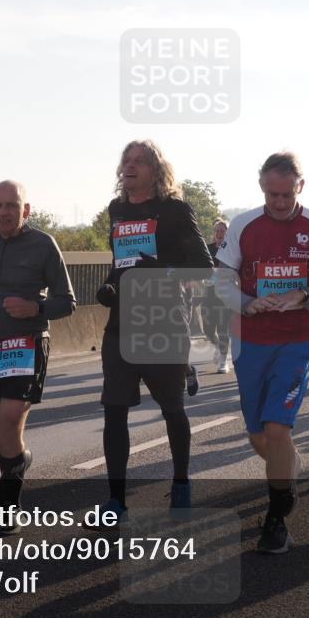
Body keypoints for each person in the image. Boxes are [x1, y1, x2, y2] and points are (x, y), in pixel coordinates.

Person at [216, 152, 309, 553]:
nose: (280, 201)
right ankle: (287, 469)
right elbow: (221, 281)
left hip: (296, 339)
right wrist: (247, 303)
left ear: (300, 187)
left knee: (277, 428)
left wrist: (304, 295)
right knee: (258, 435)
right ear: (261, 187)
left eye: (287, 194)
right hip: (249, 339)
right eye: (273, 194)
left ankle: (276, 519)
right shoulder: (243, 225)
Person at [92, 140, 212, 523]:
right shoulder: (117, 210)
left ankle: (181, 484)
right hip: (121, 325)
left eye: (139, 161)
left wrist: (162, 270)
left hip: (163, 323)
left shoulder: (175, 210)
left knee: (172, 409)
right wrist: (109, 285)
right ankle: (116, 502)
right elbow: (122, 263)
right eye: (125, 160)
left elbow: (203, 266)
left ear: (156, 170)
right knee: (114, 412)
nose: (129, 166)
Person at [0, 181, 76, 534]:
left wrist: (33, 308)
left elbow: (67, 301)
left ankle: (9, 506)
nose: (3, 212)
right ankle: (16, 462)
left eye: (11, 206)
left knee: (9, 419)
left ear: (26, 210)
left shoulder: (43, 244)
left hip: (26, 344)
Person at [202, 219, 232, 373]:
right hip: (209, 293)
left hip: (225, 295)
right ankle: (219, 347)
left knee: (222, 329)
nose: (220, 233)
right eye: (217, 230)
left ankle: (223, 361)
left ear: (227, 233)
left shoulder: (231, 250)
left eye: (223, 230)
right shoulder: (207, 249)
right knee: (207, 330)